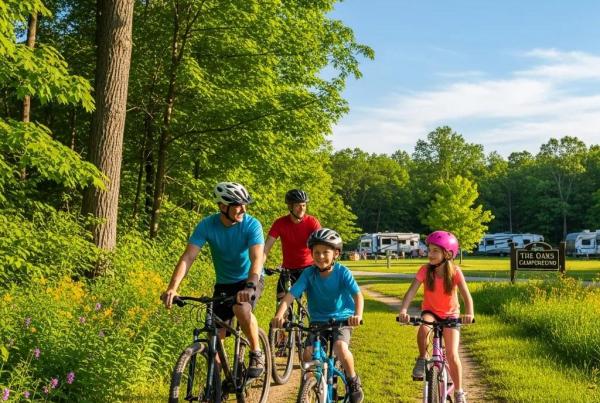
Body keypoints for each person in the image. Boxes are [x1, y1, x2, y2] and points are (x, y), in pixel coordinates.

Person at [162, 182, 266, 377]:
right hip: (224, 284)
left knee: (241, 308)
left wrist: (250, 285)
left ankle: (256, 351)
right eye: (238, 205)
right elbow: (188, 257)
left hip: (250, 279)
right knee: (215, 337)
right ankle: (217, 387)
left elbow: (257, 258)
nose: (243, 209)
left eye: (245, 204)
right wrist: (172, 287)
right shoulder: (207, 225)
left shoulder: (252, 225)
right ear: (222, 206)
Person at [271, 228, 365, 403]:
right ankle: (310, 385)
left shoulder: (342, 272)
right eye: (316, 252)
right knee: (307, 353)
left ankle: (352, 381)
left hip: (342, 319)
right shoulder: (309, 274)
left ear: (336, 253)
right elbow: (290, 295)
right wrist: (279, 315)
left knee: (340, 348)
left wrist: (357, 315)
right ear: (311, 254)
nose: (320, 256)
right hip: (317, 322)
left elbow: (358, 296)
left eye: (325, 252)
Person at [397, 230, 474, 403]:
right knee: (424, 328)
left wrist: (469, 313)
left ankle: (459, 391)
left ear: (447, 254)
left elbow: (466, 296)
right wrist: (403, 310)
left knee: (453, 355)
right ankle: (422, 358)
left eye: (434, 251)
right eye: (429, 250)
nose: (429, 254)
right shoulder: (425, 270)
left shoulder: (455, 272)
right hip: (430, 312)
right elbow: (411, 292)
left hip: (451, 316)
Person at [263, 189, 321, 301]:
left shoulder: (312, 222)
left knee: (315, 301)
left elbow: (321, 244)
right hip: (288, 270)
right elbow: (266, 247)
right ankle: (284, 318)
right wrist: (259, 265)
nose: (302, 208)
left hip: (309, 267)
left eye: (304, 205)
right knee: (281, 302)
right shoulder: (280, 223)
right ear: (290, 206)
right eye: (298, 205)